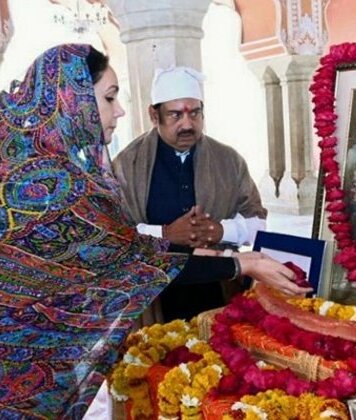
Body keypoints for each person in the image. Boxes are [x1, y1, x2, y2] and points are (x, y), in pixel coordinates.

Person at [0, 44, 310, 419]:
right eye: (109, 98)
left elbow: (126, 252)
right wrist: (237, 262)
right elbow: (129, 256)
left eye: (194, 112)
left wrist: (228, 245)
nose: (119, 111)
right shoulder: (59, 187)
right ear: (72, 100)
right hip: (20, 374)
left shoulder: (51, 170)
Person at [112, 66, 266, 321]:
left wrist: (220, 231)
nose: (187, 124)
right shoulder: (127, 165)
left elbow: (258, 224)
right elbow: (114, 236)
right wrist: (165, 234)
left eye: (195, 113)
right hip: (156, 296)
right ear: (154, 114)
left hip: (219, 289)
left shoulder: (229, 160)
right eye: (175, 115)